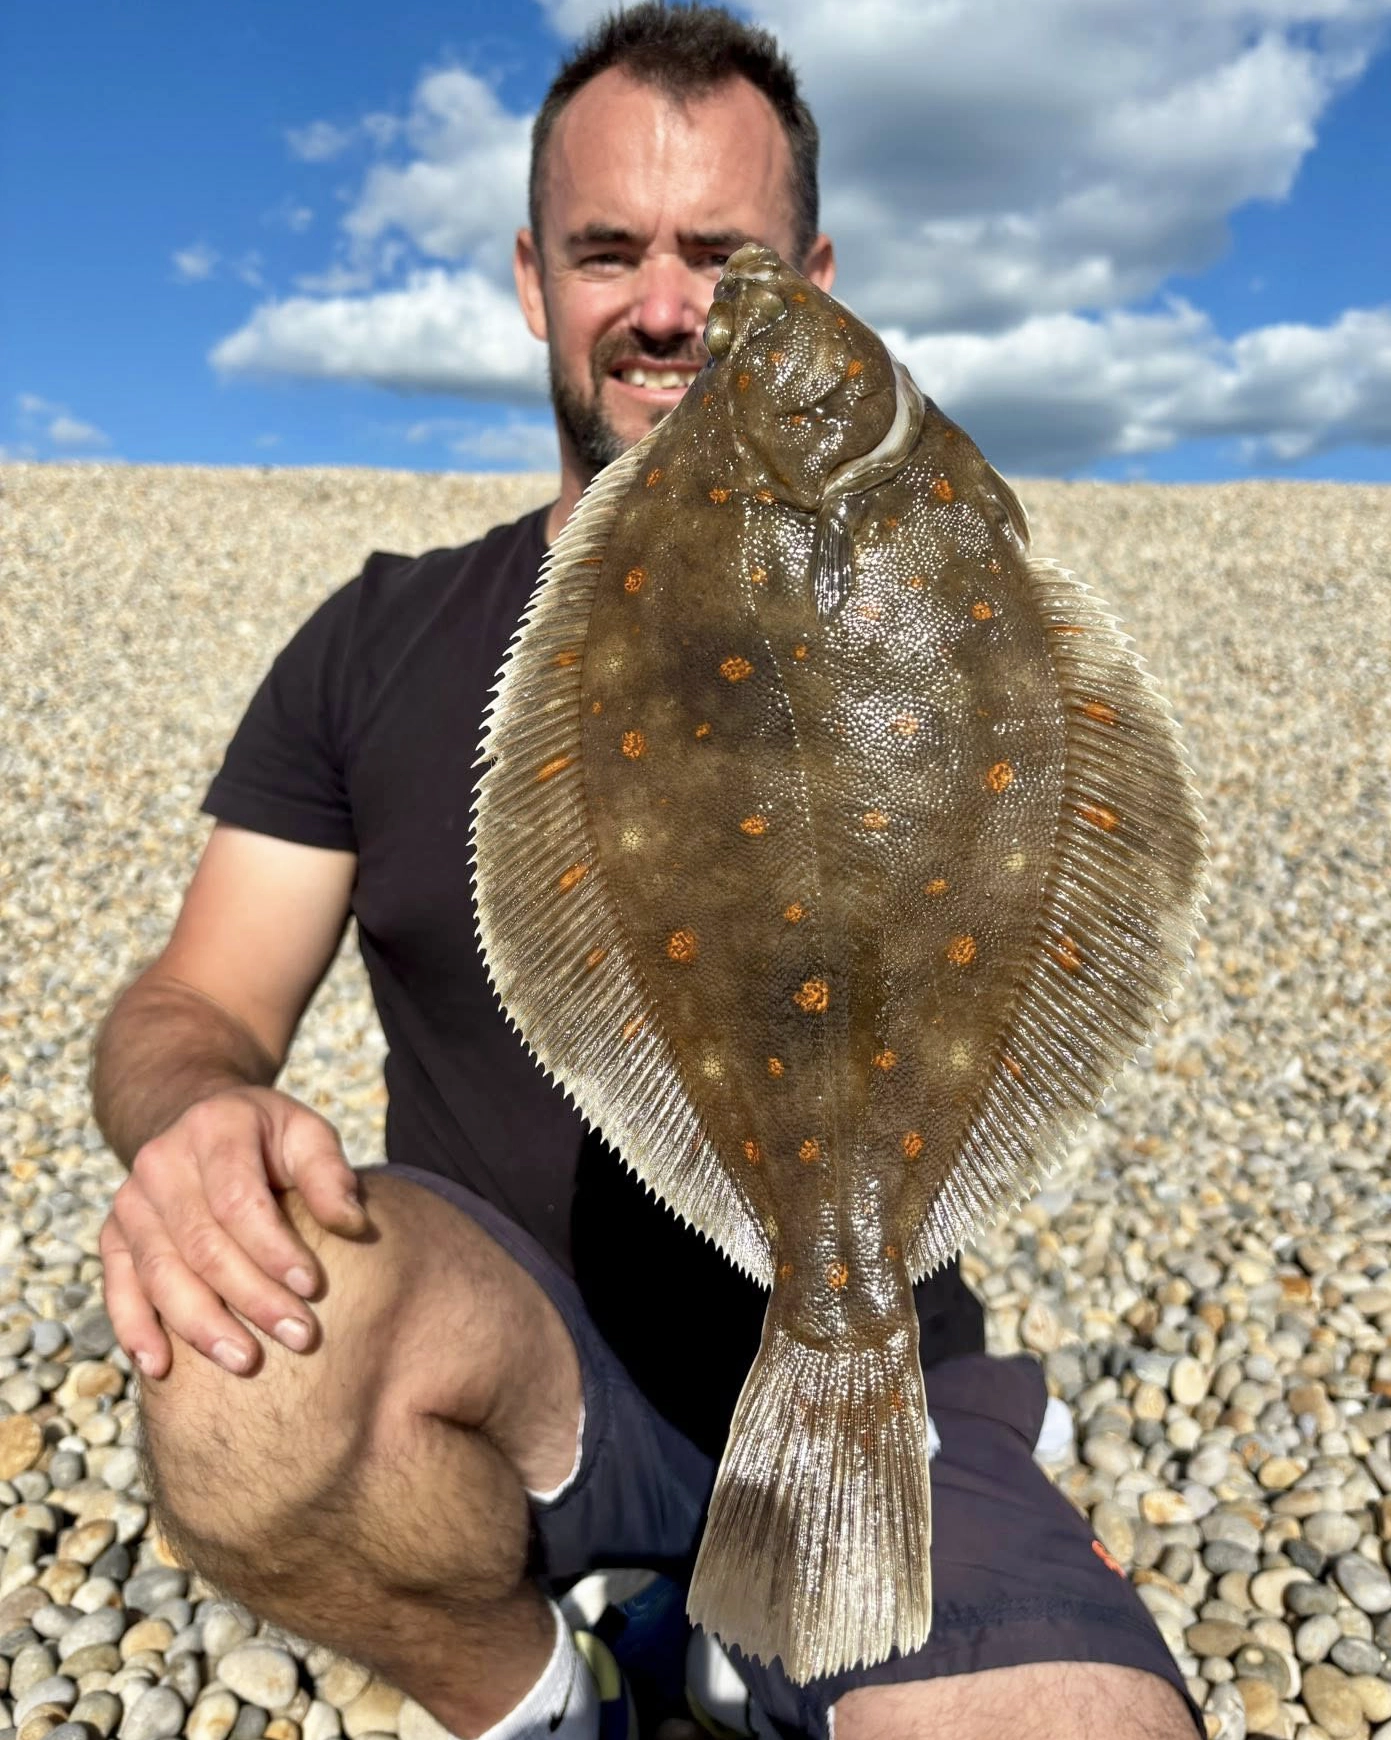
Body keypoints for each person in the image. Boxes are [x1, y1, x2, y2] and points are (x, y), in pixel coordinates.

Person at [91, 8, 1203, 1740]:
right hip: (525, 1347)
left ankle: (785, 1592)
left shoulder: (934, 583)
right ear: (535, 278)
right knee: (242, 1377)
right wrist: (195, 1120)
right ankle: (562, 1699)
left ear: (817, 284)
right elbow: (195, 1002)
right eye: (611, 252)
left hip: (870, 1346)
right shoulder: (375, 642)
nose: (676, 309)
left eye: (732, 262)